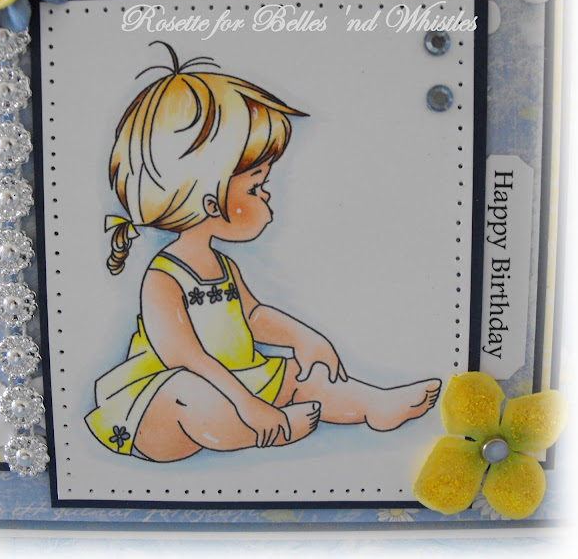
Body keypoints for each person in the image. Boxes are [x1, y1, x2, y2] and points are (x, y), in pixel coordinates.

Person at [85, 42, 441, 462]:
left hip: (238, 381)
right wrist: (247, 404)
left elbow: (253, 317)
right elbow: (185, 356)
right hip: (162, 406)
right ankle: (267, 429)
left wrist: (305, 339)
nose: (267, 195)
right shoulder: (163, 278)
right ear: (210, 202)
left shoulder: (223, 266)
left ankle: (373, 406)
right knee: (189, 394)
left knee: (301, 377)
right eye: (255, 187)